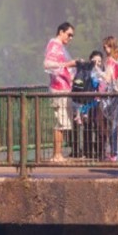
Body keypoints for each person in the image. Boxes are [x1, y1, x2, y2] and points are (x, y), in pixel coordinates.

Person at [43, 22, 79, 161]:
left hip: (64, 88)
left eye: (72, 36)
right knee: (61, 121)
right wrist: (68, 64)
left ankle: (58, 154)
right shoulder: (54, 45)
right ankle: (56, 154)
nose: (70, 38)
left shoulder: (60, 47)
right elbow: (47, 64)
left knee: (64, 121)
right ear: (61, 32)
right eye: (69, 35)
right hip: (58, 89)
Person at [100, 36, 118, 161]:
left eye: (106, 46)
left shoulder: (110, 60)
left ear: (110, 46)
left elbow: (107, 78)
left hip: (115, 94)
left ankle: (115, 153)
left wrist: (96, 72)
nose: (105, 49)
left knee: (115, 124)